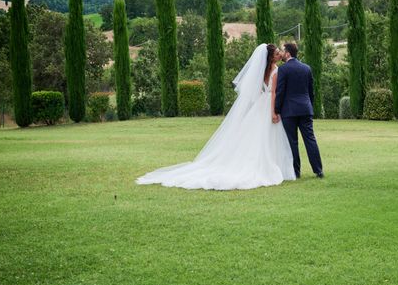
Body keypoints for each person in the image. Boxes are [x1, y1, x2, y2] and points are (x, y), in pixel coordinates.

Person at [136, 44, 296, 190]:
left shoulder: (262, 71)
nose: (279, 55)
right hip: (267, 105)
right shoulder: (276, 71)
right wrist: (274, 112)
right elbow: (273, 92)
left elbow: (259, 91)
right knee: (266, 137)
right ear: (271, 57)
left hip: (259, 105)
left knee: (257, 137)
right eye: (276, 53)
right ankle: (267, 166)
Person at [274, 42, 323, 179]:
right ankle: (318, 170)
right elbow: (311, 91)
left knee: (292, 142)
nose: (282, 54)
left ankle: (296, 172)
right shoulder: (306, 68)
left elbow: (280, 92)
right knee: (310, 139)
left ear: (288, 53)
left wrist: (276, 109)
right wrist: (309, 106)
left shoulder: (283, 70)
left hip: (289, 111)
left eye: (283, 51)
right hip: (306, 109)